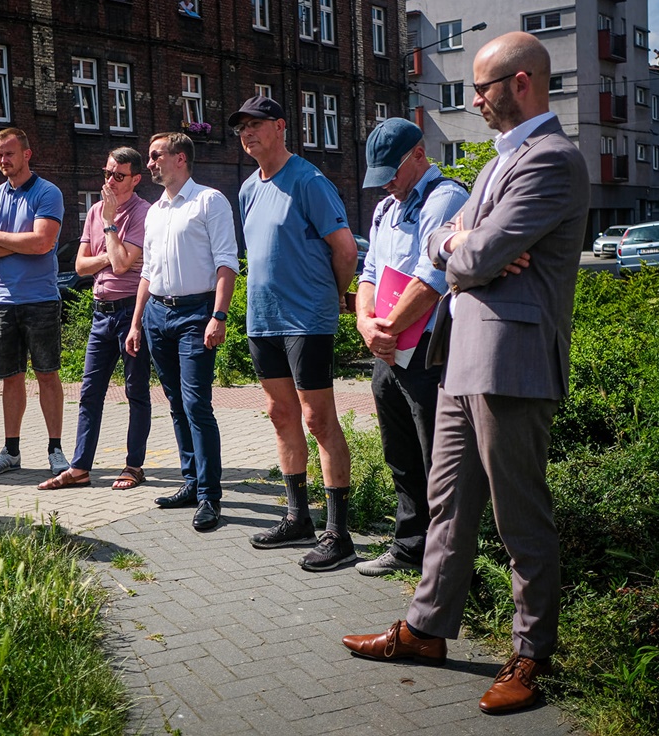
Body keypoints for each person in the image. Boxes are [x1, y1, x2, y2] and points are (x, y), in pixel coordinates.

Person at [341, 31, 590, 715]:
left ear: (522, 84)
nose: (474, 100)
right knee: (447, 503)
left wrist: (465, 248)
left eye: (483, 88)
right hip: (459, 359)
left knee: (520, 517)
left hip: (512, 362)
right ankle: (425, 630)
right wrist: (461, 244)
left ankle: (532, 654)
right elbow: (453, 245)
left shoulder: (554, 161)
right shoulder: (493, 166)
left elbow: (476, 253)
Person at [228, 95, 360, 571]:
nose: (247, 133)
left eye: (256, 125)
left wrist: (336, 298)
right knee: (280, 414)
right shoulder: (247, 189)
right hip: (263, 320)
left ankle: (338, 532)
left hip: (307, 319)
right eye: (241, 128)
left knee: (317, 419)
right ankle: (297, 517)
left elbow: (345, 249)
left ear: (281, 127)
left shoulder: (309, 180)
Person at [352, 120, 468, 577]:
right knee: (399, 453)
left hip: (427, 353)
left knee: (435, 456)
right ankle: (408, 545)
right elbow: (370, 271)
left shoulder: (446, 199)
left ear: (419, 154)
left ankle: (444, 563)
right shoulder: (386, 208)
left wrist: (387, 329)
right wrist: (366, 326)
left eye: (392, 171)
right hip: (388, 351)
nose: (386, 182)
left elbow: (432, 277)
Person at [125, 132, 237, 532]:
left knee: (196, 404)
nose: (150, 163)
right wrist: (137, 322)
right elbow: (148, 273)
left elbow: (227, 264)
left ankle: (209, 496)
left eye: (156, 156)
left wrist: (218, 316)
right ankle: (190, 483)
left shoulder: (209, 201)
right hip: (158, 315)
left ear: (180, 159)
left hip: (196, 314)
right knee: (175, 403)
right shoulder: (155, 211)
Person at [39, 148, 152, 491]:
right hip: (101, 313)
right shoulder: (93, 211)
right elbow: (80, 266)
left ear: (135, 179)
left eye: (118, 176)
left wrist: (110, 224)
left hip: (132, 309)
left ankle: (134, 465)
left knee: (136, 392)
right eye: (106, 173)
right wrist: (111, 254)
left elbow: (121, 266)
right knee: (89, 393)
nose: (110, 181)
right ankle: (80, 467)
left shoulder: (143, 213)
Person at [0, 128, 68, 478]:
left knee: (47, 375)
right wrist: (21, 241)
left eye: (9, 153)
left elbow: (43, 243)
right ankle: (11, 451)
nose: (3, 160)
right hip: (3, 301)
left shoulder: (48, 192)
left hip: (41, 298)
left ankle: (55, 449)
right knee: (10, 379)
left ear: (27, 154)